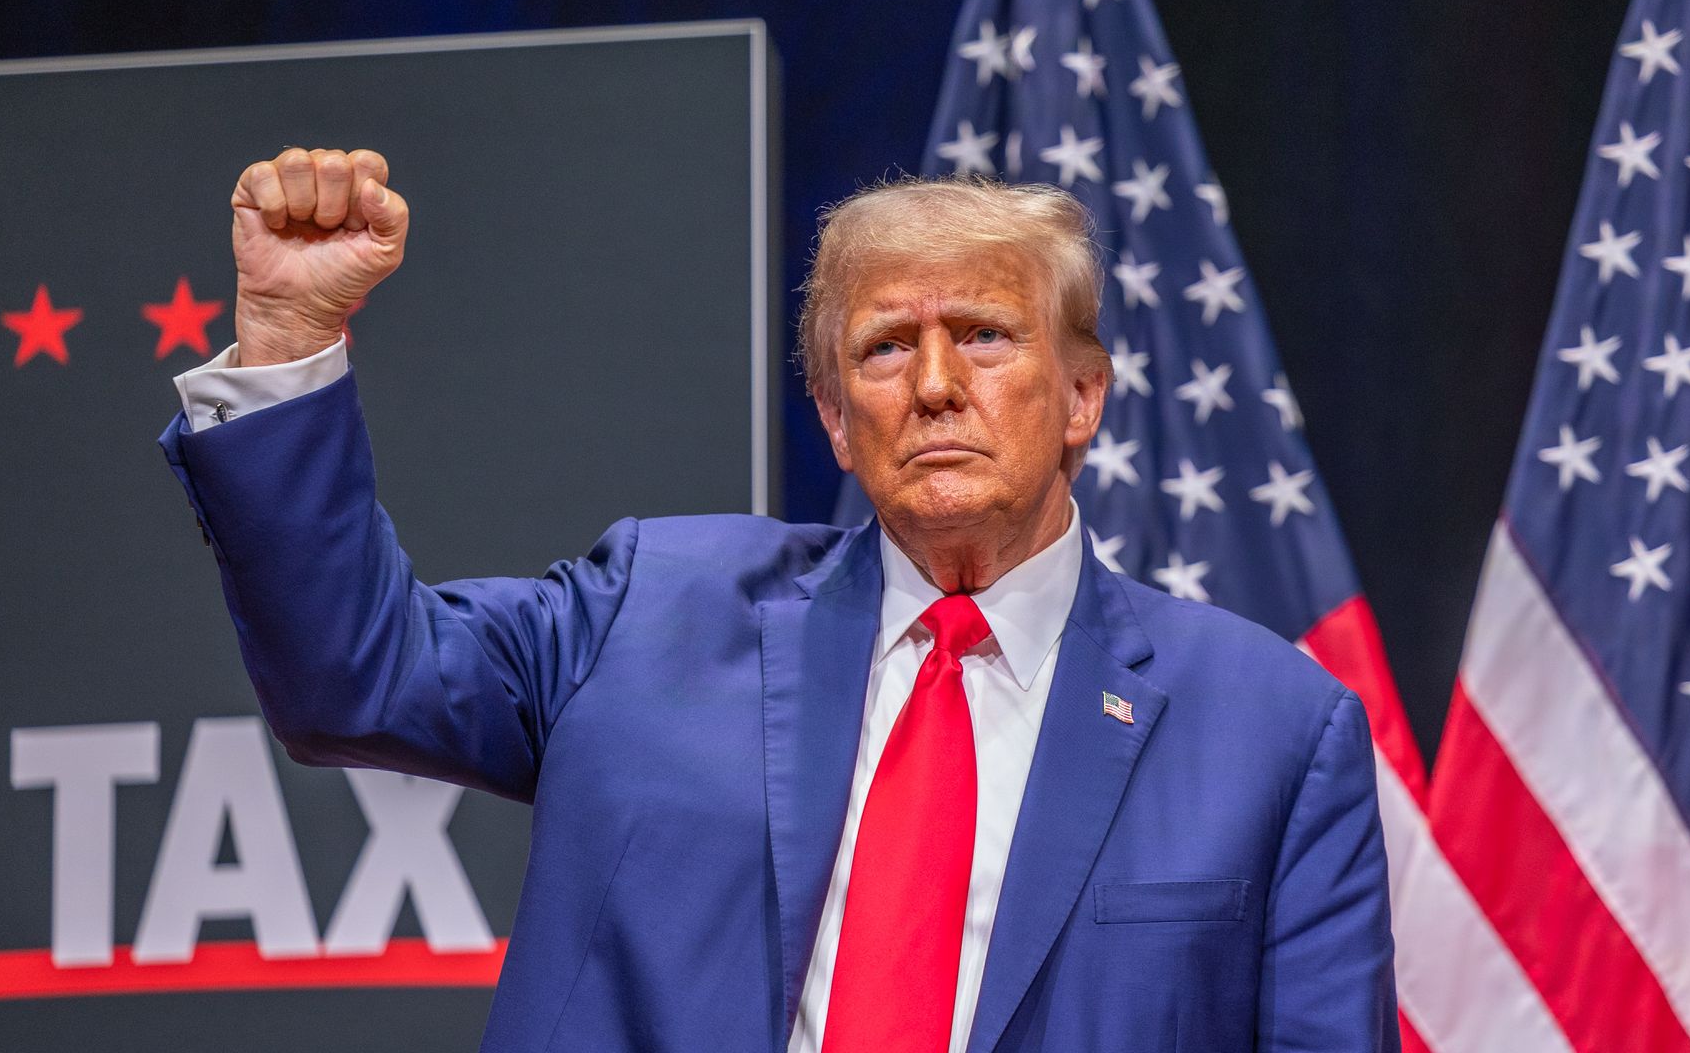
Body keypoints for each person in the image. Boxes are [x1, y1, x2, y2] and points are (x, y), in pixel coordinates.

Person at [160, 147, 1397, 1052]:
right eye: (881, 348)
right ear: (834, 420)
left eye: (982, 336)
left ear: (1082, 398)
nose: (932, 385)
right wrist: (285, 334)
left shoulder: (1273, 733)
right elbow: (350, 680)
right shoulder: (648, 613)